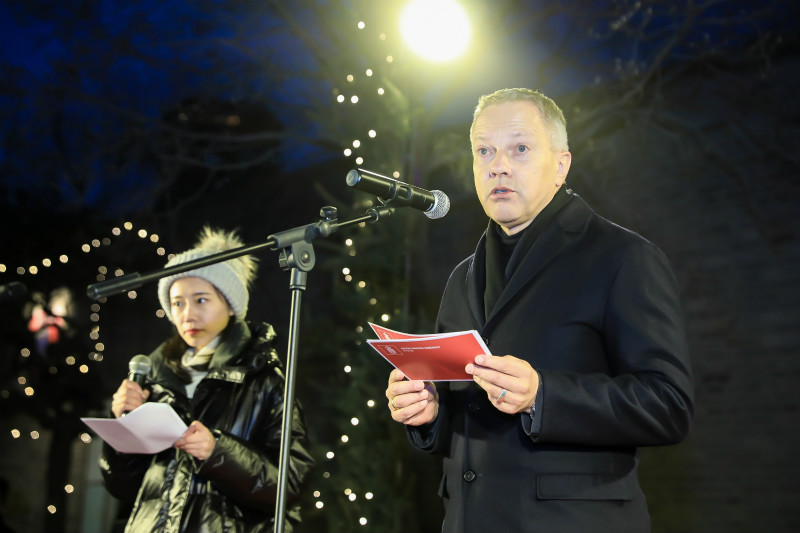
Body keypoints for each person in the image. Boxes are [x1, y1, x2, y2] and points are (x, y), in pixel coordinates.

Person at [385, 88, 694, 533]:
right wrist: (429, 413)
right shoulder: (461, 278)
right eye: (484, 151)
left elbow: (669, 405)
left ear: (561, 165)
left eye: (521, 148)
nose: (499, 165)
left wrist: (542, 397)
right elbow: (465, 419)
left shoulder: (622, 258)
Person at [99, 226, 314, 533]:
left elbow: (290, 484)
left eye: (201, 300)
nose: (187, 314)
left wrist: (218, 452)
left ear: (229, 303)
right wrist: (122, 431)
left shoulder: (266, 378)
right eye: (177, 303)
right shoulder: (155, 381)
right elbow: (124, 488)